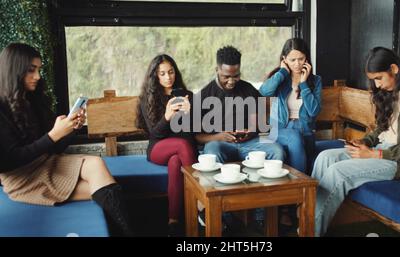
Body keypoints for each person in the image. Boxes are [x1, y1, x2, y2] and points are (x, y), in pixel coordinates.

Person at [0, 43, 133, 236]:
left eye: (39, 70)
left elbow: (53, 148)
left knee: (97, 167)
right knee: (107, 192)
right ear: (14, 70)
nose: (37, 76)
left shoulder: (32, 99)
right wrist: (54, 134)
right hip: (22, 180)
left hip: (46, 163)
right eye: (31, 70)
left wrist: (70, 130)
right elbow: (9, 161)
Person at [311, 46, 400, 237]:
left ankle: (309, 232)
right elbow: (382, 128)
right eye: (374, 80)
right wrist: (365, 142)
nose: (377, 85)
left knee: (338, 172)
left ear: (394, 69)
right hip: (381, 150)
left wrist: (375, 154)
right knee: (325, 158)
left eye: (379, 78)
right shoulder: (391, 92)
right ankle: (308, 223)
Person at [136, 54, 196, 237]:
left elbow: (190, 135)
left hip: (180, 150)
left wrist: (189, 115)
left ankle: (173, 222)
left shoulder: (187, 97)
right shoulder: (149, 99)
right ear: (155, 76)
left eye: (170, 72)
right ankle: (200, 199)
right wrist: (167, 116)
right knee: (181, 146)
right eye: (162, 73)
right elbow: (154, 134)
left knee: (176, 161)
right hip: (157, 149)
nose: (168, 77)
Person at [195, 45, 285, 165]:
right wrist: (219, 137)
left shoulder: (248, 90)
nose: (231, 81)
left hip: (250, 143)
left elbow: (258, 124)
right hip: (220, 144)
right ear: (217, 70)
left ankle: (265, 184)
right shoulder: (204, 95)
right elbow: (197, 136)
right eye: (226, 77)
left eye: (236, 76)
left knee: (277, 151)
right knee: (212, 152)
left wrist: (250, 132)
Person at [259, 38, 322, 174]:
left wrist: (304, 84)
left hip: (305, 130)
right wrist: (282, 72)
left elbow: (313, 112)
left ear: (307, 58)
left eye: (301, 59)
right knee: (294, 136)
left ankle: (298, 183)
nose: (297, 64)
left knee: (299, 138)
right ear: (284, 59)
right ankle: (300, 183)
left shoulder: (315, 81)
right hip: (280, 130)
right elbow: (263, 92)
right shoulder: (279, 78)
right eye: (292, 60)